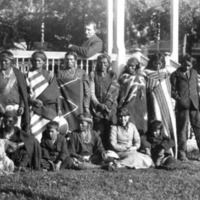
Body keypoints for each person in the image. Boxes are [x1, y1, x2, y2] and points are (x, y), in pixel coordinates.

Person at [144, 52, 177, 158]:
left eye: (160, 63)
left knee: (168, 122)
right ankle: (156, 149)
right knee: (156, 123)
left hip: (166, 102)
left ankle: (169, 150)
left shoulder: (166, 71)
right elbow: (147, 86)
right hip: (154, 101)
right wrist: (154, 84)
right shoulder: (146, 72)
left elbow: (168, 84)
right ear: (151, 62)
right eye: (155, 63)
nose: (157, 65)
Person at [26, 51, 61, 142]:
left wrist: (58, 108)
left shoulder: (49, 74)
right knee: (34, 130)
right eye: (34, 61)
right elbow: (25, 92)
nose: (37, 63)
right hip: (35, 107)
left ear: (44, 62)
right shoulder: (28, 75)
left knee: (49, 131)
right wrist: (33, 100)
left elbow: (55, 92)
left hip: (49, 107)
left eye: (39, 61)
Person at [170, 54, 200, 161]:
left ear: (192, 66)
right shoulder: (175, 74)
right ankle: (182, 153)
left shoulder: (195, 73)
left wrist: (198, 101)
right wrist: (179, 99)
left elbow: (196, 88)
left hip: (194, 105)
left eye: (189, 66)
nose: (186, 67)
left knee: (198, 127)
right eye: (185, 64)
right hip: (182, 105)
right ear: (182, 62)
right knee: (182, 128)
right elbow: (172, 91)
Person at [90, 53, 119, 149]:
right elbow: (91, 92)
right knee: (99, 131)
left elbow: (114, 90)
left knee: (110, 130)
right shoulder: (93, 74)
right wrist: (98, 105)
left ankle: (110, 151)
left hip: (110, 107)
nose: (103, 65)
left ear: (109, 64)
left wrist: (106, 104)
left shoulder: (112, 75)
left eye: (105, 63)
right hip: (97, 108)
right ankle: (99, 151)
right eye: (100, 63)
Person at [57, 51, 90, 132]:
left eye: (71, 59)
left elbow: (87, 91)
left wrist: (86, 106)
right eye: (67, 60)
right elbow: (57, 90)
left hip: (79, 105)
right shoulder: (60, 73)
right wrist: (59, 107)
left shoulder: (81, 72)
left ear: (75, 61)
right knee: (66, 126)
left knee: (79, 124)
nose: (69, 62)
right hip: (65, 104)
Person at [0, 50, 29, 132]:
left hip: (16, 110)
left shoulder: (18, 74)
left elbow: (23, 92)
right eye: (1, 61)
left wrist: (22, 106)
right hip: (1, 110)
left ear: (11, 61)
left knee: (15, 133)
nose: (3, 63)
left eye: (5, 61)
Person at [118, 56, 148, 134]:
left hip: (139, 102)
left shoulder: (141, 76)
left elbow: (144, 86)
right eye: (129, 66)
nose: (130, 68)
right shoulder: (123, 76)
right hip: (127, 102)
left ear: (137, 66)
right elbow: (121, 88)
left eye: (133, 66)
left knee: (139, 121)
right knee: (128, 119)